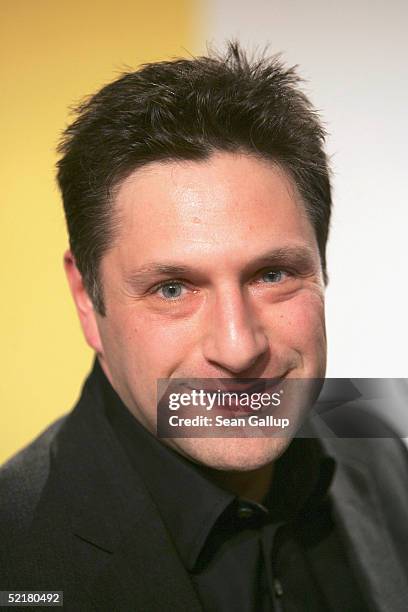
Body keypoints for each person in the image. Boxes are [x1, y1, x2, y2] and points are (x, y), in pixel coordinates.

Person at [1, 42, 407, 611]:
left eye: (272, 274)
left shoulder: (384, 453)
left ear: (322, 266)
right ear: (86, 298)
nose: (238, 349)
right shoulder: (15, 552)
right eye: (172, 288)